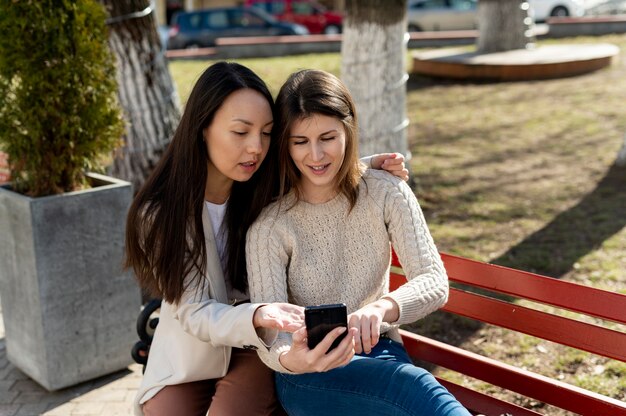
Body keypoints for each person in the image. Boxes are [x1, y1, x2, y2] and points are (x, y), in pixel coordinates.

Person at [125, 61, 409, 416]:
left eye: (266, 133)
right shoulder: (162, 213)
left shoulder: (264, 183)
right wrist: (258, 312)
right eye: (241, 132)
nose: (256, 148)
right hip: (192, 349)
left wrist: (366, 166)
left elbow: (317, 168)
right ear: (203, 128)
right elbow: (194, 311)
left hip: (260, 344)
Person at [246, 69, 472, 416]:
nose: (316, 155)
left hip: (380, 353)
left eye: (328, 137)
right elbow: (272, 337)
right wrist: (294, 357)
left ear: (349, 131)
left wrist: (382, 308)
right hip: (309, 372)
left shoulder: (386, 191)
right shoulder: (270, 227)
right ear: (284, 144)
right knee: (414, 386)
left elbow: (433, 280)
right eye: (300, 142)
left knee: (407, 386)